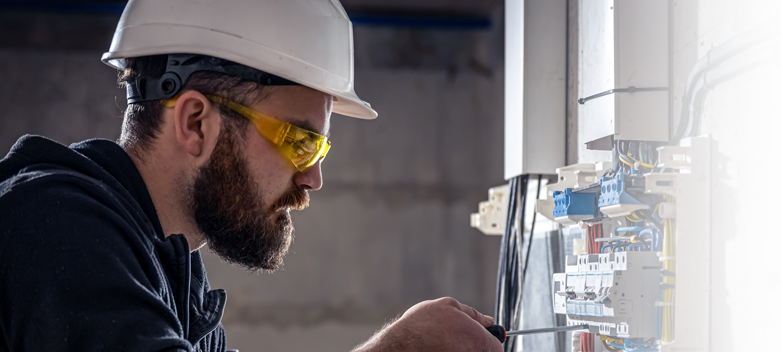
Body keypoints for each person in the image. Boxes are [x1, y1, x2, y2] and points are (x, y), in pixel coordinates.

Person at [0, 0, 502, 351]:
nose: (313, 178)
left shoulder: (171, 269)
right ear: (196, 122)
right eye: (300, 141)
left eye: (319, 148)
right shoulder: (53, 227)